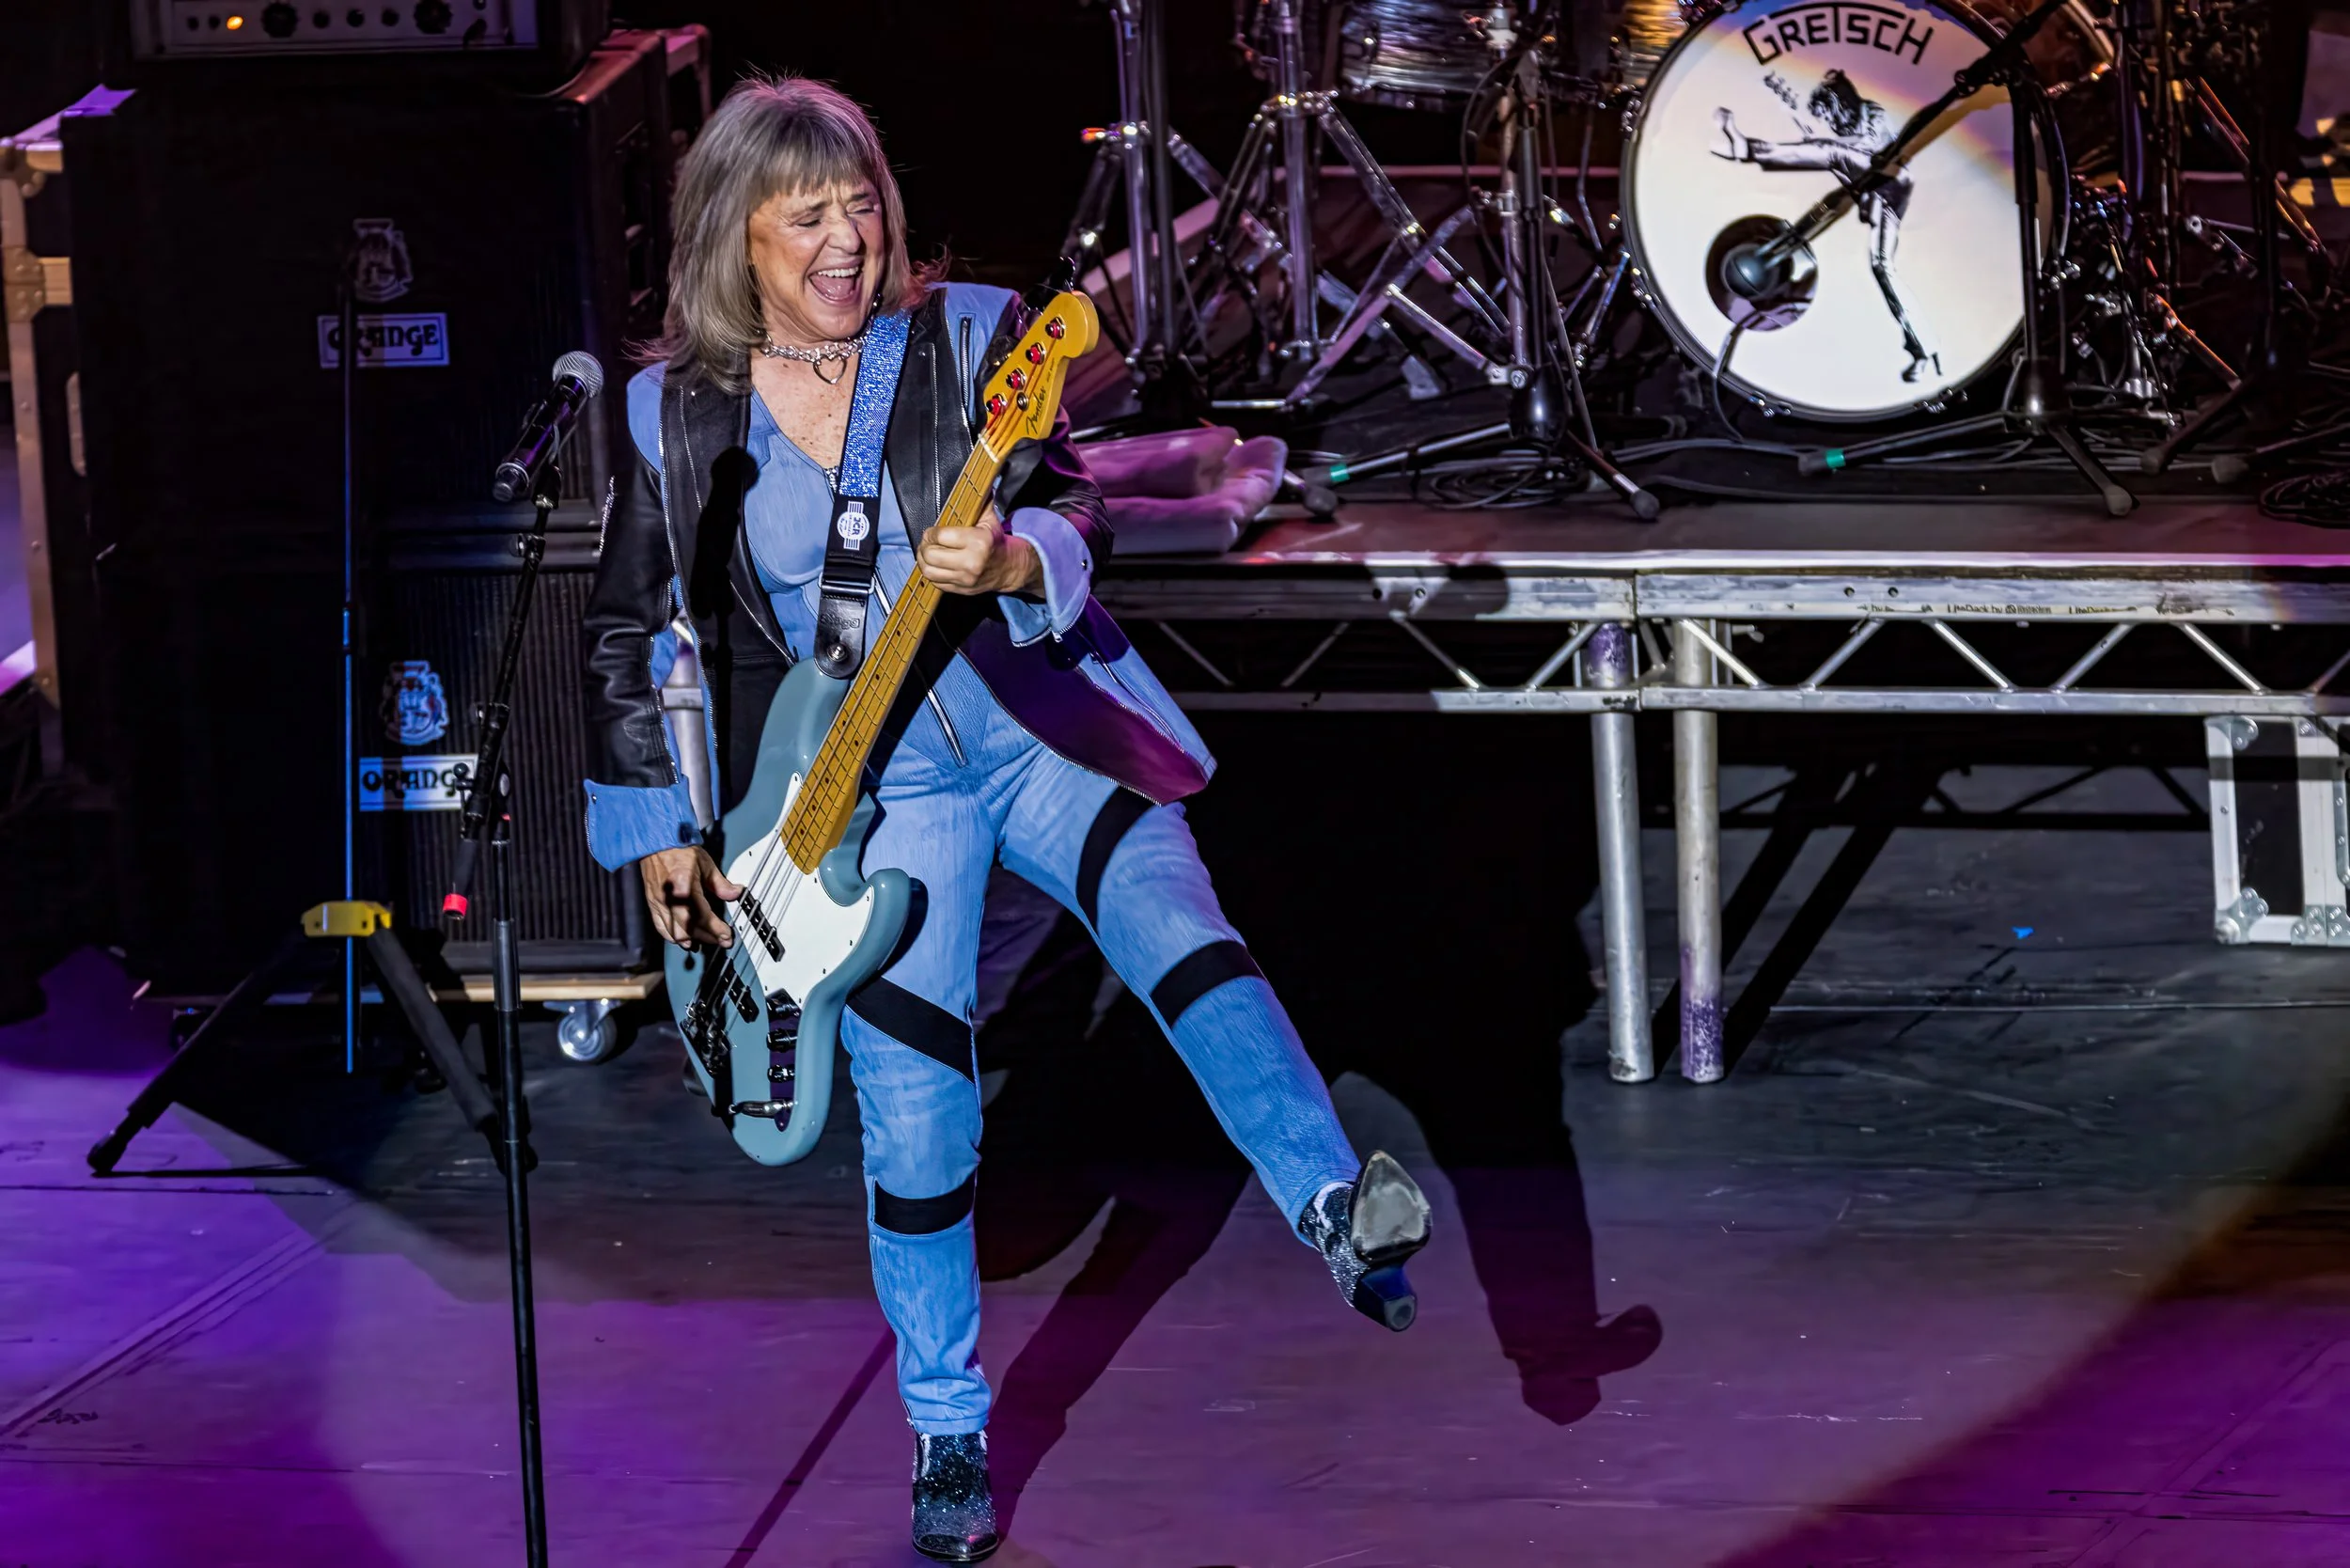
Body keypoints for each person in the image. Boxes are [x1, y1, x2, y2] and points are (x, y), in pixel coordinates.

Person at [577, 74, 1431, 1565]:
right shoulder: (674, 413)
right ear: (735, 236)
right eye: (807, 219)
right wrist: (658, 819)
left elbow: (1084, 502)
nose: (847, 243)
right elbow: (622, 629)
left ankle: (1334, 1210)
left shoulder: (970, 338)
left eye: (862, 208)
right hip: (869, 795)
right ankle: (947, 1430)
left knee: (1183, 932)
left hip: (1043, 728)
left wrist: (1026, 559)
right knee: (918, 1118)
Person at [1715, 69, 1940, 383]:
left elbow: (1871, 154)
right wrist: (1803, 125)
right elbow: (1845, 161)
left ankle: (1748, 148)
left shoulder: (1873, 114)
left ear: (1839, 103)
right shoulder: (1848, 129)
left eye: (1830, 116)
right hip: (1877, 196)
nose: (1831, 124)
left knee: (1831, 151)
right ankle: (1924, 350)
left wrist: (1820, 140)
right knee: (1881, 266)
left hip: (1892, 181)